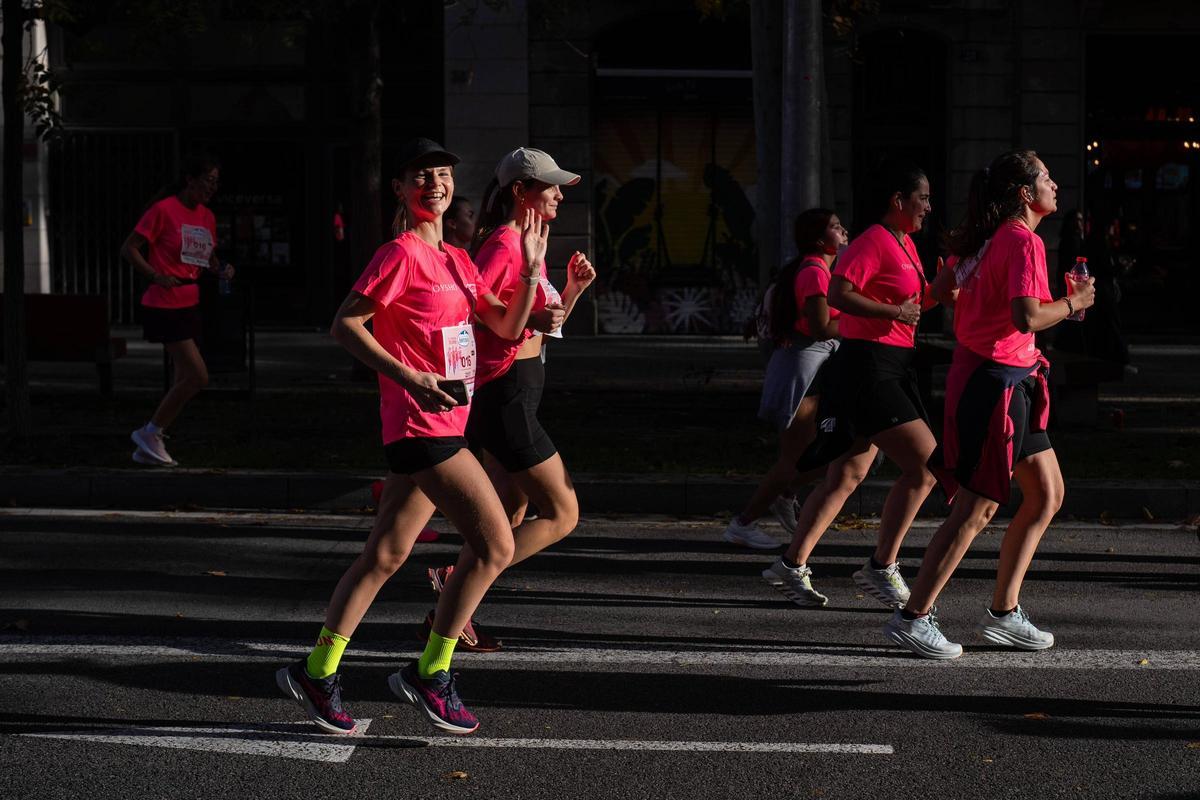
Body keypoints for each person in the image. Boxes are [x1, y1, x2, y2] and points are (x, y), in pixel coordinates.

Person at [276, 138, 547, 735]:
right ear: (401, 190)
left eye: (443, 175)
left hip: (446, 423)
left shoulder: (457, 257)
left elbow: (504, 323)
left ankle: (316, 673)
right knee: (497, 546)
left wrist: (530, 267)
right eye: (421, 176)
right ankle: (432, 673)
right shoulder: (398, 253)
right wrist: (412, 376)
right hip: (421, 426)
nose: (435, 184)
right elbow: (345, 324)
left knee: (386, 555)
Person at [884, 150, 1095, 659]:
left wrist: (965, 302)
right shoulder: (1022, 241)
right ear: (1025, 194)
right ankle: (914, 616)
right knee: (977, 509)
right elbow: (1026, 318)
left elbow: (939, 290)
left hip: (1007, 378)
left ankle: (1004, 613)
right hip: (994, 386)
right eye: (1046, 178)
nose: (1055, 185)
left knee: (1046, 494)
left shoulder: (984, 239)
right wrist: (1074, 304)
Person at [419, 147, 596, 650]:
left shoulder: (528, 239)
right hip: (505, 399)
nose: (560, 194)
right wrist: (533, 314)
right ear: (521, 191)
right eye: (551, 186)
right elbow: (485, 316)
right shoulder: (503, 244)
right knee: (562, 514)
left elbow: (543, 323)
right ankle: (454, 577)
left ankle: (450, 616)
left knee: (511, 516)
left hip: (519, 391)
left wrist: (572, 290)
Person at [773, 162, 941, 608]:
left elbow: (910, 303)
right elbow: (838, 295)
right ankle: (881, 567)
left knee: (847, 473)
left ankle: (791, 565)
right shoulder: (872, 240)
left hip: (892, 363)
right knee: (925, 467)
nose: (929, 206)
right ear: (898, 201)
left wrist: (941, 291)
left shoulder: (906, 244)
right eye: (922, 197)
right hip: (869, 366)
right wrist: (893, 315)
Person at [722, 208, 847, 551]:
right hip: (801, 374)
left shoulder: (815, 269)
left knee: (826, 453)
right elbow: (821, 327)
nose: (845, 232)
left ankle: (785, 494)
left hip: (811, 371)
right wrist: (863, 321)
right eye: (836, 228)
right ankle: (743, 523)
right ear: (820, 239)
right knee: (795, 458)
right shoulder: (813, 272)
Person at [120, 153, 234, 467]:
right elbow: (129, 248)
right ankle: (150, 432)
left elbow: (205, 259)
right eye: (208, 180)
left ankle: (148, 447)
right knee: (198, 377)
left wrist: (221, 269)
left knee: (182, 377)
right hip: (164, 304)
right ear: (190, 179)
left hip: (190, 302)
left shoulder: (206, 217)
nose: (213, 187)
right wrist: (155, 275)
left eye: (216, 182)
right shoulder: (163, 210)